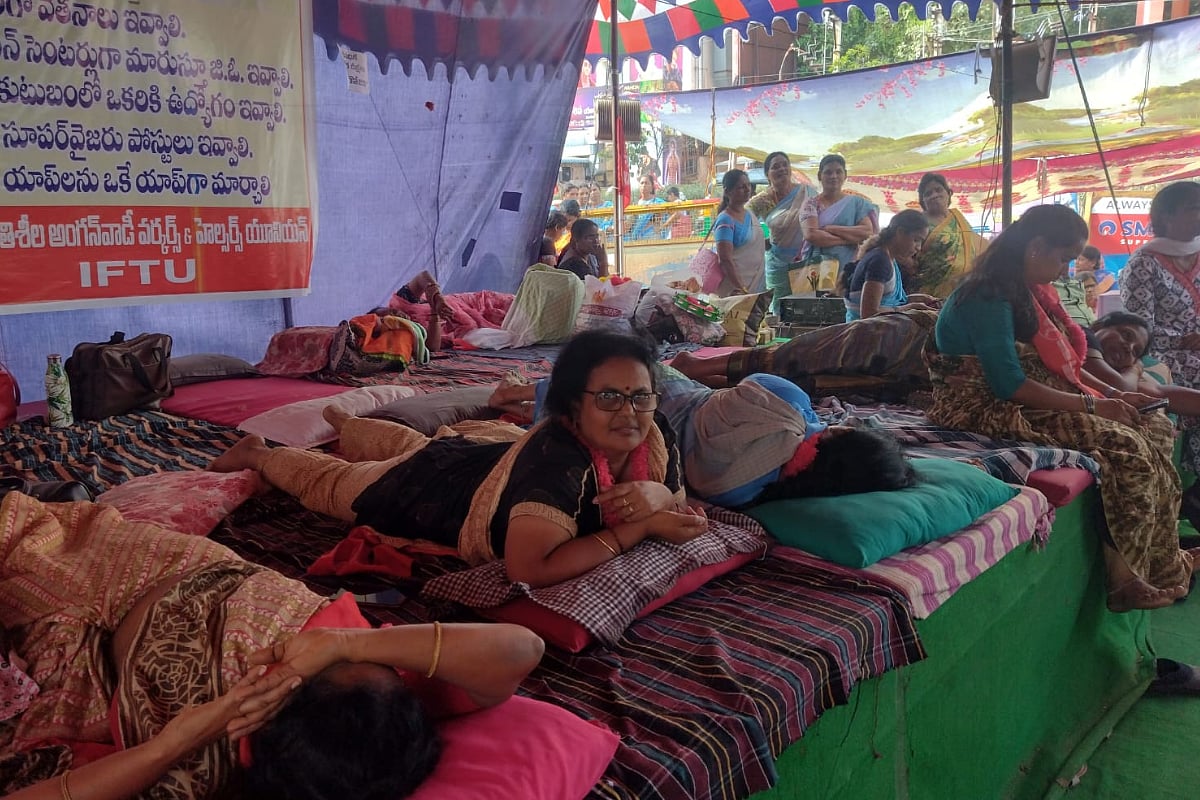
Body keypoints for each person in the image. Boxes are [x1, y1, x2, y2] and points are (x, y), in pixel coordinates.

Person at [0, 491, 544, 799]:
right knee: (24, 526)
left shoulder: (210, 768)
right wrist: (340, 646)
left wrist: (173, 742)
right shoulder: (389, 690)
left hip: (82, 660)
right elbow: (524, 648)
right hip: (168, 566)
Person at [210, 331, 707, 588]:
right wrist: (634, 530)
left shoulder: (654, 430)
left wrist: (659, 495)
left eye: (640, 396)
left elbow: (675, 503)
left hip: (482, 458)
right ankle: (261, 452)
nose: (630, 412)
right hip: (436, 491)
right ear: (574, 403)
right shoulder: (559, 460)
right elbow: (528, 568)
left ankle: (353, 425)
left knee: (429, 444)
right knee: (339, 483)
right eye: (609, 398)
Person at [927, 203, 1197, 613]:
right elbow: (1009, 384)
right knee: (1125, 446)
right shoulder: (987, 295)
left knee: (1154, 426)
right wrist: (1093, 406)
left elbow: (1065, 366)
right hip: (981, 406)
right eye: (1064, 259)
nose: (1065, 270)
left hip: (1025, 398)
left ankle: (1160, 559)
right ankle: (1124, 578)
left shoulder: (1027, 292)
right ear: (1036, 247)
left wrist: (1116, 397)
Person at [488, 367, 917, 508]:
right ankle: (522, 411)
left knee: (608, 374)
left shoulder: (786, 401)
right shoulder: (751, 494)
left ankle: (514, 393)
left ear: (842, 432)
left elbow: (747, 384)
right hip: (643, 439)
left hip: (667, 400)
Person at [843, 210, 939, 322]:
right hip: (865, 335)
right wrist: (908, 308)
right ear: (900, 232)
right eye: (916, 240)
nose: (919, 248)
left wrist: (913, 299)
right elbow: (869, 313)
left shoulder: (888, 258)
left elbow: (884, 301)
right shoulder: (880, 261)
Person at [748, 151, 814, 312]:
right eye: (775, 167)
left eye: (785, 165)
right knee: (779, 309)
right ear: (767, 174)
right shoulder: (764, 200)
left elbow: (821, 217)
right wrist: (761, 242)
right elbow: (742, 220)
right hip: (778, 263)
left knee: (806, 308)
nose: (782, 169)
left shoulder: (806, 192)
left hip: (806, 260)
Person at [800, 154, 878, 282]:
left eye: (838, 172)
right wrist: (850, 239)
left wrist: (831, 228)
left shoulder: (857, 203)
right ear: (820, 176)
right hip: (817, 269)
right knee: (819, 302)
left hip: (849, 270)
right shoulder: (811, 204)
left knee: (847, 300)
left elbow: (867, 233)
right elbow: (812, 235)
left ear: (845, 175)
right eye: (828, 172)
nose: (833, 176)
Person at [909, 173, 985, 298]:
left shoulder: (959, 218)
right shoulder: (917, 222)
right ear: (923, 201)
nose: (934, 195)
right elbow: (904, 254)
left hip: (963, 290)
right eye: (928, 193)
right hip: (928, 293)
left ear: (949, 193)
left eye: (938, 190)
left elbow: (974, 246)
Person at [712, 169, 766, 297]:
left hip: (756, 284)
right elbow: (725, 260)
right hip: (735, 290)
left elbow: (754, 245)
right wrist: (741, 288)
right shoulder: (725, 220)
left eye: (748, 185)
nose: (747, 190)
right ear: (727, 191)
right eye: (741, 187)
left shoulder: (750, 214)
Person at [1051, 255, 1095, 327]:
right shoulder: (1049, 286)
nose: (1066, 266)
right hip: (1074, 329)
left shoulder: (1077, 284)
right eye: (1063, 261)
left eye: (1067, 261)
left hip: (1093, 324)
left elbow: (1084, 305)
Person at [627, 175, 664, 241]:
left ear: (652, 187)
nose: (644, 185)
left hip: (653, 238)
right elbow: (630, 224)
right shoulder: (636, 204)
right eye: (642, 183)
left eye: (646, 183)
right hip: (639, 239)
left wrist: (663, 226)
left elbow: (676, 213)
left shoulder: (657, 202)